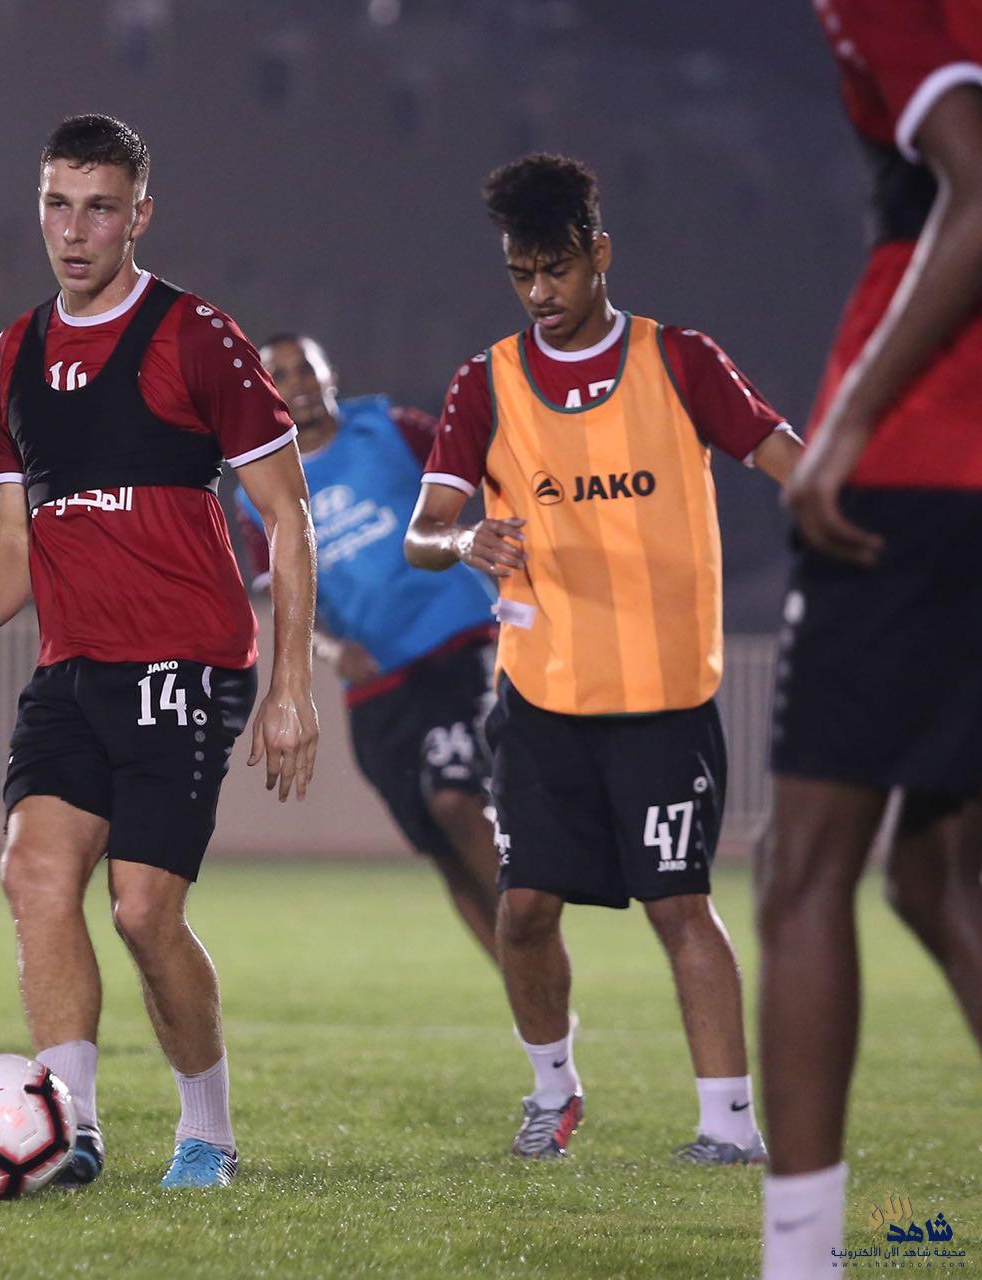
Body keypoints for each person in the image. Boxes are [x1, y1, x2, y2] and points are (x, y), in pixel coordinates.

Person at [0, 114, 318, 1191]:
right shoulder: (9, 359)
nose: (75, 229)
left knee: (141, 911)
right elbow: (17, 543)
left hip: (187, 662)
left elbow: (288, 516)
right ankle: (68, 1125)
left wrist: (290, 688)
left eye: (100, 207)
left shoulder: (198, 338)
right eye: (58, 204)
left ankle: (207, 1133)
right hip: (72, 667)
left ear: (140, 215)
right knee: (34, 875)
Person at [405, 153, 802, 1164]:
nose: (541, 293)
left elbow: (781, 457)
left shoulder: (680, 360)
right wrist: (466, 540)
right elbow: (424, 532)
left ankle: (728, 1124)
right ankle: (552, 1090)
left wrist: (854, 519)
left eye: (558, 270)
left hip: (664, 694)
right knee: (524, 907)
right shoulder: (485, 381)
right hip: (542, 693)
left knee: (679, 904)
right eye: (522, 274)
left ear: (600, 255)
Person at [758, 4, 982, 1274]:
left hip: (920, 468)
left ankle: (799, 1257)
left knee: (803, 869)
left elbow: (971, 176)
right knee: (936, 875)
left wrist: (845, 418)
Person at [237, 335, 499, 956]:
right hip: (378, 683)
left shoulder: (392, 427)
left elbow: (488, 476)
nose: (297, 384)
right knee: (443, 852)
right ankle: (527, 991)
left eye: (306, 369)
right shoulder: (258, 491)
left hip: (454, 647)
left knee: (457, 799)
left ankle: (536, 947)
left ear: (330, 375)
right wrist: (334, 654)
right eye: (280, 375)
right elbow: (281, 596)